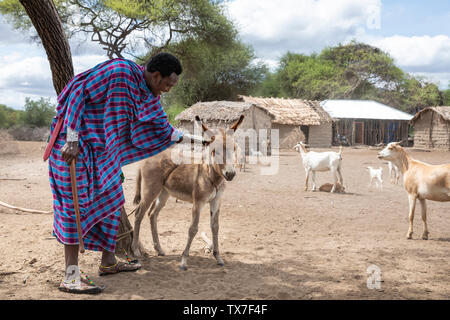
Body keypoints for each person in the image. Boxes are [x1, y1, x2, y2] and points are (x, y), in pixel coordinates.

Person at [47, 53, 202, 294]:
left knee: (112, 201)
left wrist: (202, 141)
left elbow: (165, 130)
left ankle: (108, 262)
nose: (168, 90)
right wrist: (72, 138)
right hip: (73, 151)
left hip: (103, 156)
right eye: (167, 84)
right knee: (73, 210)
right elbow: (78, 92)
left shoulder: (150, 97)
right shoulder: (119, 73)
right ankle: (70, 276)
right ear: (156, 75)